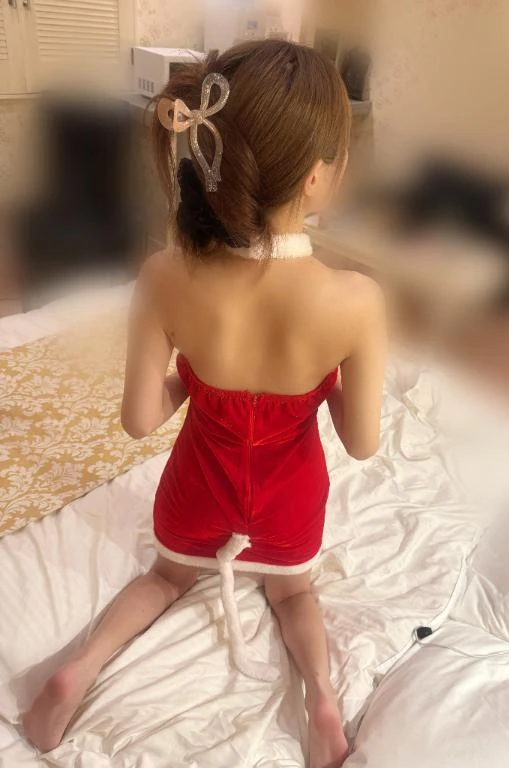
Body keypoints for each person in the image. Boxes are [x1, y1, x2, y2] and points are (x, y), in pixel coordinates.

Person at [23, 40, 386, 768]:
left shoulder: (165, 274)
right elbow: (362, 442)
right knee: (293, 595)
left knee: (164, 578)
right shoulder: (355, 300)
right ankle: (320, 698)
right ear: (318, 176)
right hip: (288, 502)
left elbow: (138, 421)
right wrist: (326, 379)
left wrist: (195, 379)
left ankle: (80, 667)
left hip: (195, 492)